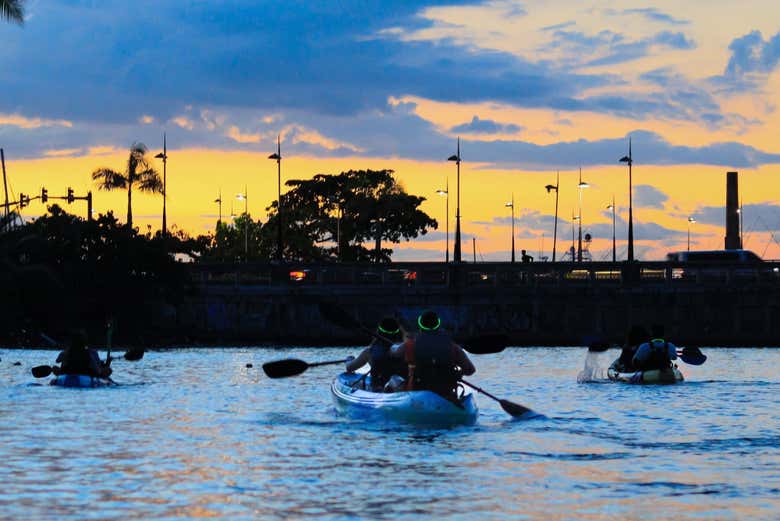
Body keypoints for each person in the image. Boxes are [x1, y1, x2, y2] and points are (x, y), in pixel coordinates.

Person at [392, 310, 475, 399]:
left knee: (393, 379)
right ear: (438, 325)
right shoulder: (453, 347)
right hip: (445, 393)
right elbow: (470, 370)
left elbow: (394, 353)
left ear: (420, 325)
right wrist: (457, 373)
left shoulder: (409, 345)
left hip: (417, 392)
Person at [345, 317, 407, 391]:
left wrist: (349, 360)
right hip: (402, 387)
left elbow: (350, 367)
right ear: (399, 333)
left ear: (378, 332)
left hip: (379, 388)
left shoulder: (369, 351)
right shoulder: (405, 348)